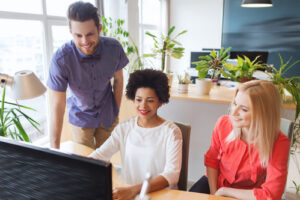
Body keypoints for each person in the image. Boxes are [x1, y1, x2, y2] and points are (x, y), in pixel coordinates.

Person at [89, 69, 182, 200]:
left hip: (159, 195)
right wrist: (79, 168)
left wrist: (133, 190)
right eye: (138, 100)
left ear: (160, 102)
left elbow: (172, 174)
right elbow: (100, 155)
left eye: (150, 100)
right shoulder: (124, 128)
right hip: (127, 195)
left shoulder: (172, 132)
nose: (143, 106)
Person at [47, 1, 129, 149]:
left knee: (105, 163)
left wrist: (116, 109)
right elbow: (57, 106)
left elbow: (119, 79)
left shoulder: (114, 48)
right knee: (85, 165)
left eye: (90, 34)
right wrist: (54, 149)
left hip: (108, 115)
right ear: (71, 33)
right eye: (78, 35)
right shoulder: (61, 59)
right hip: (80, 118)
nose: (85, 42)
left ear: (99, 28)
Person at [190, 80, 290, 200]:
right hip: (214, 183)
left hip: (248, 194)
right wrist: (214, 194)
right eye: (235, 104)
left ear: (263, 115)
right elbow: (212, 161)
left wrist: (224, 191)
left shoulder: (279, 143)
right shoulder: (223, 123)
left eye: (244, 109)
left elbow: (271, 195)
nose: (234, 112)